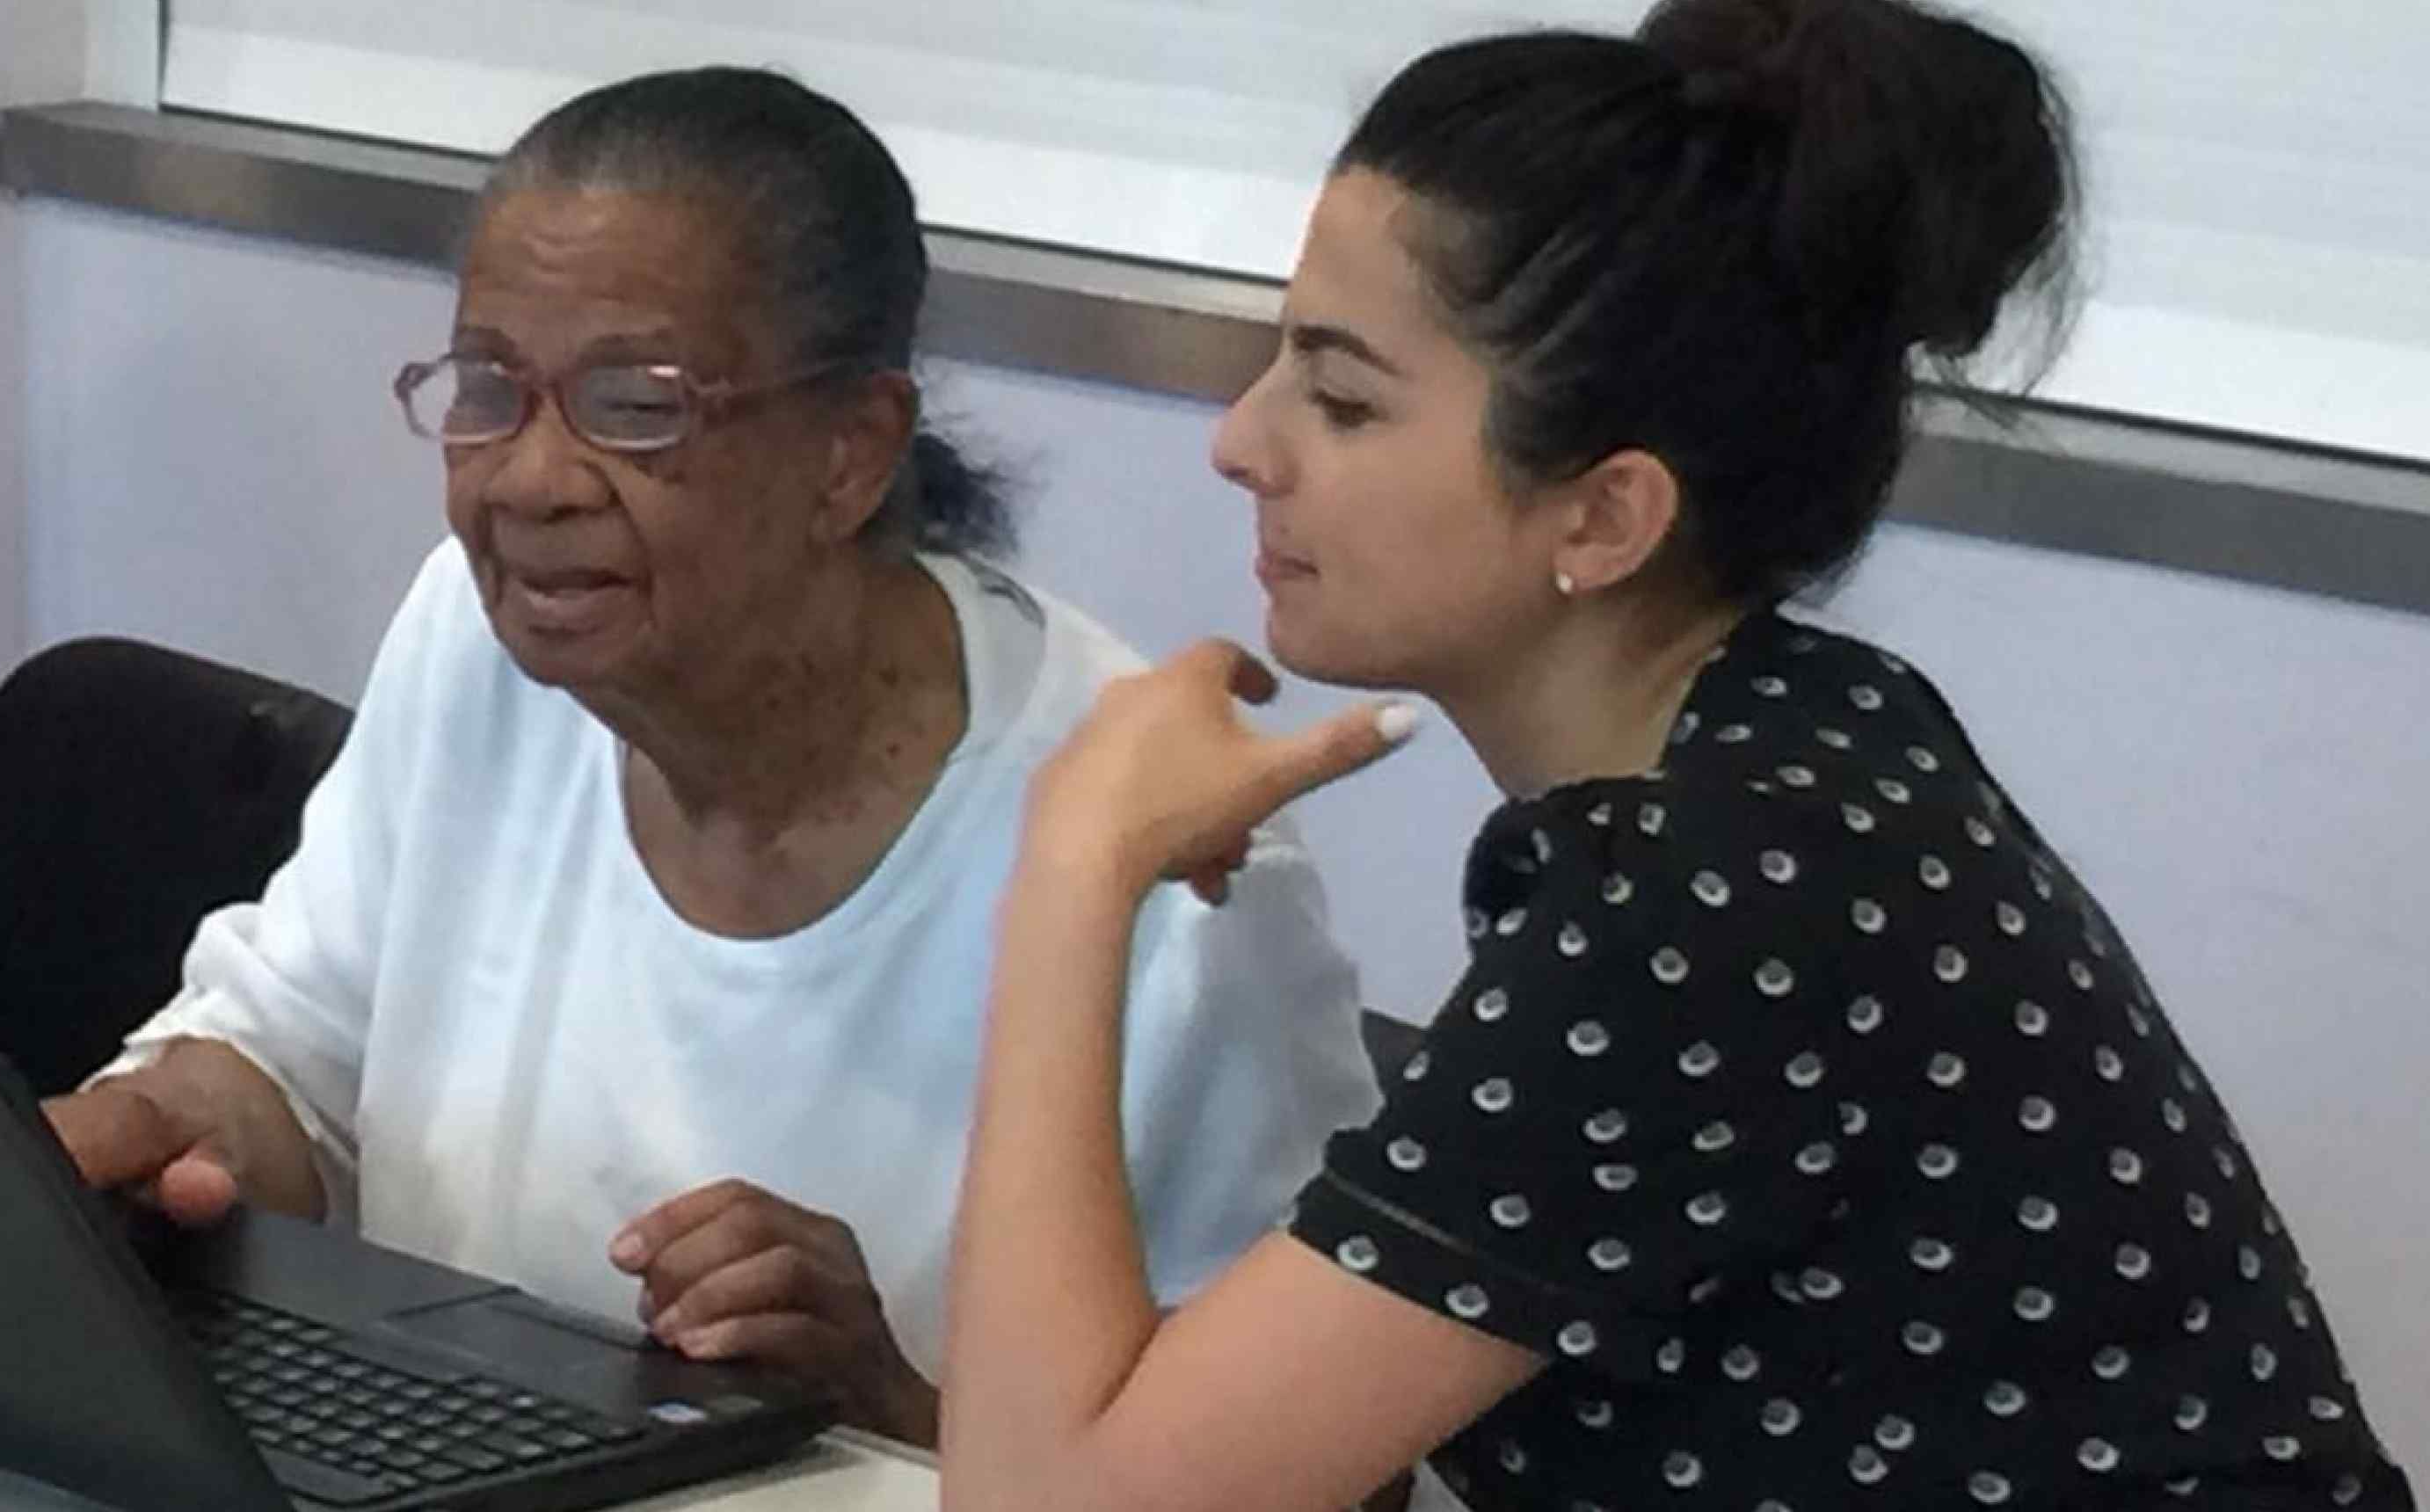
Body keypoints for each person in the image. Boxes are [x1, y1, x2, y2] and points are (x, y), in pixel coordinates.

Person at [942, 1, 2417, 1507]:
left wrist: (1075, 869)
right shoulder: (1802, 747)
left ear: (1602, 518)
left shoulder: (1711, 901)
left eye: (1340, 397)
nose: (1240, 442)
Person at [46, 68, 1380, 1448]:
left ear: (852, 455)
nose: (529, 480)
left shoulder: (1161, 854)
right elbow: (297, 1061)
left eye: (636, 405)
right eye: (490, 389)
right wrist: (157, 1125)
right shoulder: (473, 636)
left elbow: (1332, 1475)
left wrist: (891, 1405)